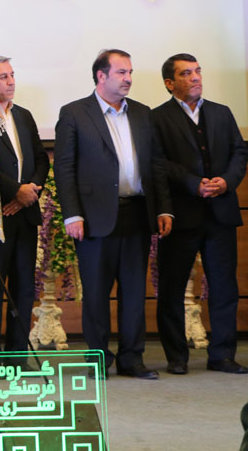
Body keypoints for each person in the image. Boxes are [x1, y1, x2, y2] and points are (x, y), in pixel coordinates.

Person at [53, 49, 172, 379]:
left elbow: (156, 165)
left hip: (137, 213)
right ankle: (98, 359)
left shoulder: (143, 113)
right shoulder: (75, 113)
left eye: (130, 72)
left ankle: (132, 358)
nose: (128, 78)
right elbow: (64, 167)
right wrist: (72, 214)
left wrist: (163, 208)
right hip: (94, 218)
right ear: (101, 76)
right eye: (121, 72)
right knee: (95, 293)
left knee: (134, 293)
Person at [151, 53, 247, 375]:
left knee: (224, 287)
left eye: (197, 71)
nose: (195, 78)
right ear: (169, 83)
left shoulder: (221, 112)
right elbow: (158, 162)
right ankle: (176, 357)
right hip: (180, 214)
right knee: (172, 288)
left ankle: (222, 355)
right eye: (186, 73)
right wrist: (194, 184)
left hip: (221, 213)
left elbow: (239, 152)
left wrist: (227, 181)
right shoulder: (157, 118)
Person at [0, 56, 49, 364]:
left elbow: (41, 159)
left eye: (12, 75)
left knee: (24, 287)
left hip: (24, 213)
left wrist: (28, 192)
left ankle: (18, 356)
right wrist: (14, 191)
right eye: (3, 76)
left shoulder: (24, 115)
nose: (11, 81)